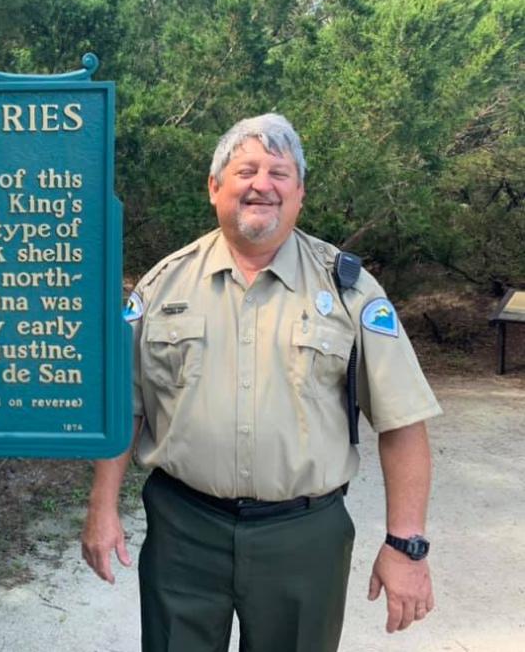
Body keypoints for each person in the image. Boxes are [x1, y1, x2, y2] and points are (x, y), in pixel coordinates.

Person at [82, 113, 440, 652]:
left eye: (279, 172)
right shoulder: (162, 285)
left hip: (304, 537)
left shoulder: (350, 291)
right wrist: (102, 507)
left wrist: (405, 544)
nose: (261, 185)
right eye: (246, 169)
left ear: (299, 192)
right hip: (183, 530)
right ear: (214, 186)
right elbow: (124, 406)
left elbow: (402, 422)